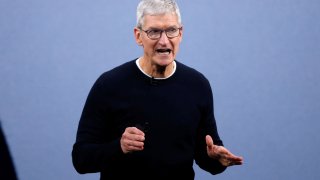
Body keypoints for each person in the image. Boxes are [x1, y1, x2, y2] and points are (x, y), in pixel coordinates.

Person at [72, 0, 243, 179]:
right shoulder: (109, 85)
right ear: (138, 36)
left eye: (171, 30)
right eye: (154, 32)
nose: (164, 41)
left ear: (181, 34)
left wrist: (216, 159)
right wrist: (119, 147)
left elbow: (206, 156)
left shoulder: (198, 85)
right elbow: (81, 159)